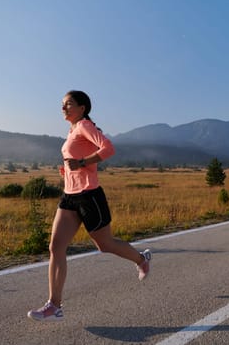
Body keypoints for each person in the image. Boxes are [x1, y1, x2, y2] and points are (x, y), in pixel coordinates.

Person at [28, 90, 152, 322]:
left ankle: (141, 259)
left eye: (68, 104)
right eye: (62, 104)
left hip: (89, 195)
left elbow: (108, 148)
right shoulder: (73, 130)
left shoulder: (84, 125)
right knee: (55, 247)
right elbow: (76, 160)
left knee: (105, 245)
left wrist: (83, 162)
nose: (63, 108)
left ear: (82, 107)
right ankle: (54, 305)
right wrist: (68, 171)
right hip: (69, 196)